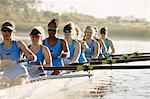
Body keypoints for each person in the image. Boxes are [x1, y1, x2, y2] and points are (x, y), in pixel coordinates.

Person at [0, 20, 36, 87]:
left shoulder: (19, 44)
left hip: (20, 74)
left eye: (9, 31)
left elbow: (33, 57)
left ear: (13, 32)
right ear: (1, 31)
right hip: (7, 75)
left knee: (17, 85)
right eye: (4, 30)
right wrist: (2, 62)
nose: (7, 33)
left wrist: (31, 57)